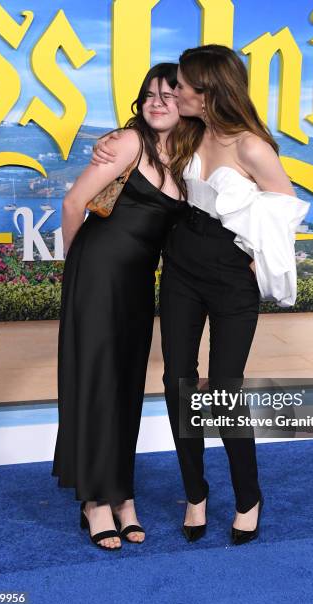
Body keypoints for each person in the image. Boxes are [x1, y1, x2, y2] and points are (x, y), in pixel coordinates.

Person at [93, 45, 310, 545]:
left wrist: (258, 254)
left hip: (230, 275)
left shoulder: (252, 146)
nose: (176, 92)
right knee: (178, 381)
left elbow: (286, 207)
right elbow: (136, 147)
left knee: (226, 386)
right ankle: (196, 492)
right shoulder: (188, 134)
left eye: (185, 86)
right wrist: (105, 146)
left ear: (210, 90)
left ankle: (248, 498)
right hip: (181, 269)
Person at [51, 63, 186, 550]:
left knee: (127, 382)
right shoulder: (129, 142)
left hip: (135, 282)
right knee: (97, 381)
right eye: (150, 93)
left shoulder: (188, 154)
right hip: (96, 273)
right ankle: (94, 502)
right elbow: (73, 204)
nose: (157, 102)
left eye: (168, 95)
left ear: (189, 101)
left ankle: (122, 494)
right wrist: (76, 271)